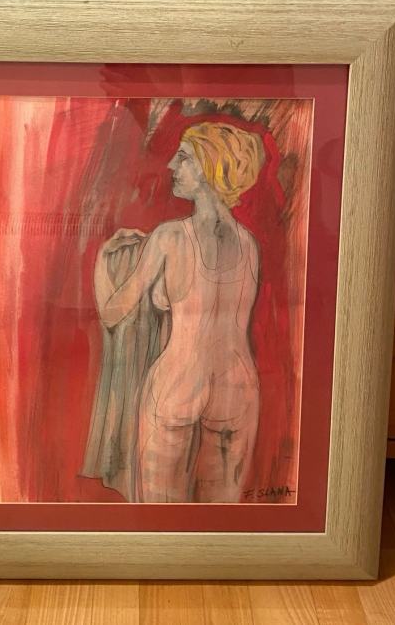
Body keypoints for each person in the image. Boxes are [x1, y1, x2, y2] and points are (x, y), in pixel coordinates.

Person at [92, 122, 265, 503]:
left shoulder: (169, 237)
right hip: (238, 389)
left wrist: (103, 261)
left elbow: (112, 314)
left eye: (184, 157)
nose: (172, 164)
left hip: (177, 382)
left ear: (209, 167)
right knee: (221, 519)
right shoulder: (249, 244)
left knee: (160, 517)